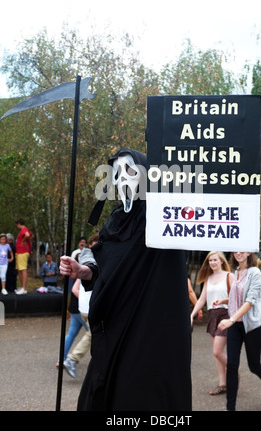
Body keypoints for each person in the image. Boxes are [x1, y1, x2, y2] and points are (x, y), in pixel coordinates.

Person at [60, 148, 192, 411]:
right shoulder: (116, 221)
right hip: (116, 322)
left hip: (149, 326)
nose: (122, 178)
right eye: (117, 172)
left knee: (141, 395)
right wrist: (84, 271)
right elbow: (108, 263)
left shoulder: (161, 217)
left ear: (145, 176)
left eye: (130, 170)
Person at [216, 252, 261, 411]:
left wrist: (230, 319)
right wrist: (224, 301)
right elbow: (236, 296)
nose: (238, 253)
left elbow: (250, 301)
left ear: (249, 251)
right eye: (236, 250)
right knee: (231, 365)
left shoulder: (255, 272)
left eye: (242, 250)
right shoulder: (236, 272)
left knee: (254, 366)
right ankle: (230, 408)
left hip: (252, 325)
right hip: (235, 325)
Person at [191, 251, 233, 395]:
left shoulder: (229, 276)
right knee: (217, 353)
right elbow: (202, 299)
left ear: (222, 261)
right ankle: (222, 384)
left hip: (226, 314)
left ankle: (234, 373)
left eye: (215, 260)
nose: (212, 263)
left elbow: (236, 297)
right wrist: (191, 315)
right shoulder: (208, 278)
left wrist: (224, 303)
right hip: (213, 315)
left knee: (217, 351)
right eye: (210, 261)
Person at [64, 234, 99, 378]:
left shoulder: (87, 263)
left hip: (81, 308)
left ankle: (63, 359)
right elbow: (75, 288)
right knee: (92, 336)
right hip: (87, 308)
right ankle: (72, 359)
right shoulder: (93, 262)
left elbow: (75, 287)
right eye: (94, 243)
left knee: (73, 333)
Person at [15, 218, 33, 295]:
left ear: (19, 224)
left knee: (23, 269)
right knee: (20, 269)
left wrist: (23, 240)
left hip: (23, 251)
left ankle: (24, 288)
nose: (17, 226)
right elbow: (32, 235)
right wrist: (27, 240)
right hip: (20, 252)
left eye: (17, 225)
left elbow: (28, 235)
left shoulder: (24, 229)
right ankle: (22, 287)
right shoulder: (26, 229)